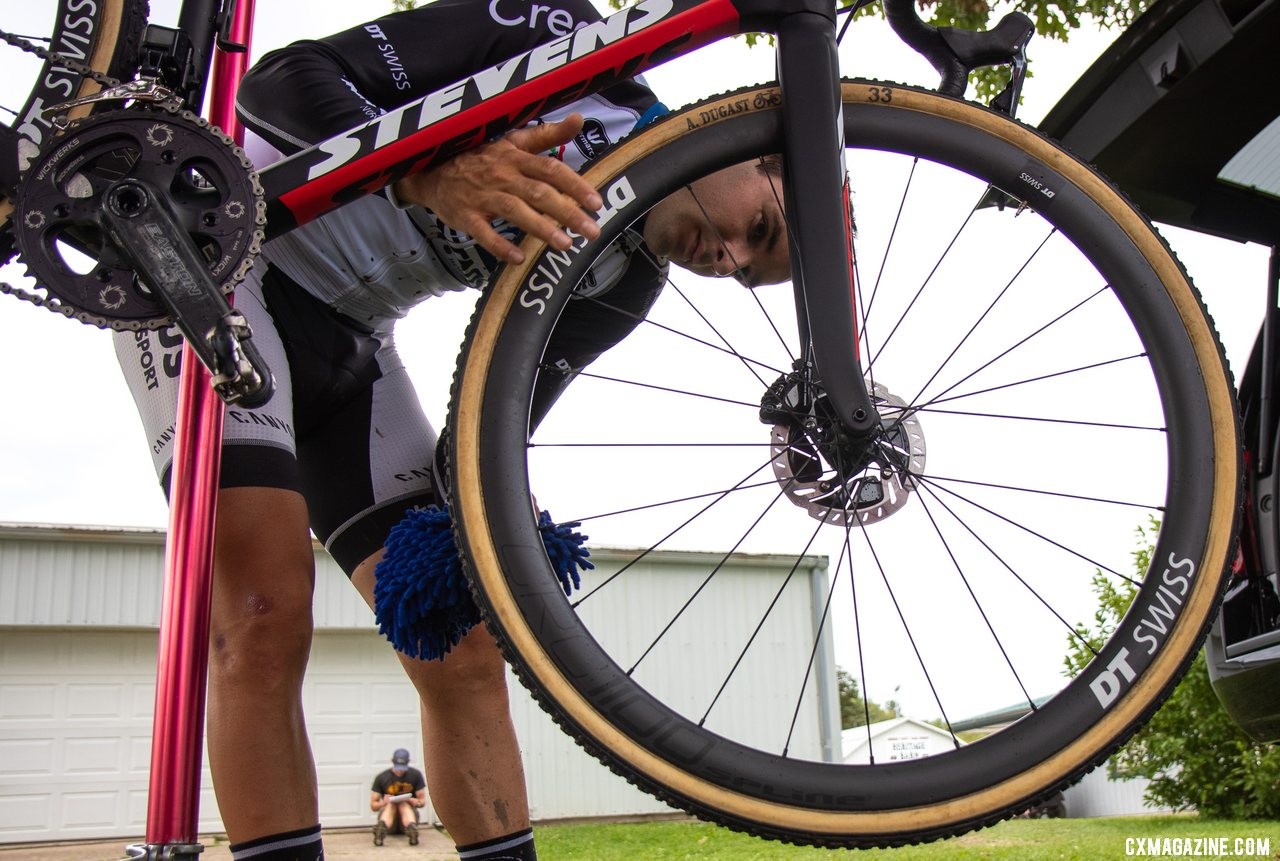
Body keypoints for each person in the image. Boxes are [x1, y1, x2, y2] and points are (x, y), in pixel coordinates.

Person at [113, 1, 789, 859]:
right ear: (754, 149)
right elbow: (282, 82)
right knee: (262, 610)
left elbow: (477, 442)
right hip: (212, 256)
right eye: (757, 227)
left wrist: (495, 537)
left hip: (347, 340)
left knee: (465, 643)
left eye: (745, 274)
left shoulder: (622, 284)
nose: (725, 257)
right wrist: (425, 167)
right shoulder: (570, 44)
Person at [370, 748, 428, 846]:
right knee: (392, 803)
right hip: (389, 823)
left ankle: (412, 830)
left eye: (402, 767)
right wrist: (383, 802)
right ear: (392, 761)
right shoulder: (382, 777)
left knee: (403, 803)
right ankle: (381, 830)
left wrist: (415, 802)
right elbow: (373, 806)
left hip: (407, 820)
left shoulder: (415, 775)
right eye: (398, 767)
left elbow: (422, 801)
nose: (400, 771)